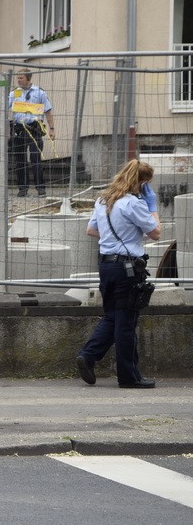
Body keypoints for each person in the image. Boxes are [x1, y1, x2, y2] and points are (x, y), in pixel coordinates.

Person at [76, 159, 160, 389]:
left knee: (113, 315)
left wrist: (115, 235)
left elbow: (91, 230)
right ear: (141, 183)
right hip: (127, 269)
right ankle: (129, 377)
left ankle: (88, 355)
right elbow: (156, 233)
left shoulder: (104, 200)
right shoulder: (133, 203)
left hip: (107, 266)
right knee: (126, 322)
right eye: (147, 183)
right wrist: (152, 207)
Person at [8, 69, 55, 197]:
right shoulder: (13, 94)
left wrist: (52, 128)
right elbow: (4, 110)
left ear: (28, 78)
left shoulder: (39, 92)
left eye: (21, 78)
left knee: (36, 159)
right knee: (20, 160)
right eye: (17, 78)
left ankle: (40, 188)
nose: (18, 80)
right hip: (19, 129)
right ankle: (22, 189)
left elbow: (48, 111)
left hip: (35, 128)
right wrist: (7, 130)